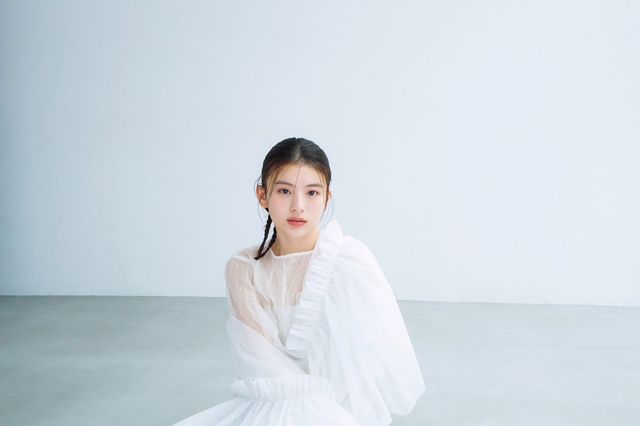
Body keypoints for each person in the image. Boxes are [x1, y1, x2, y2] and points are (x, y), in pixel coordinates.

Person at [172, 137, 425, 425]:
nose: (298, 206)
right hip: (269, 403)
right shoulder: (243, 269)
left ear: (327, 198)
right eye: (284, 191)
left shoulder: (349, 261)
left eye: (312, 192)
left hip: (338, 411)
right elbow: (261, 365)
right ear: (262, 196)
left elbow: (367, 364)